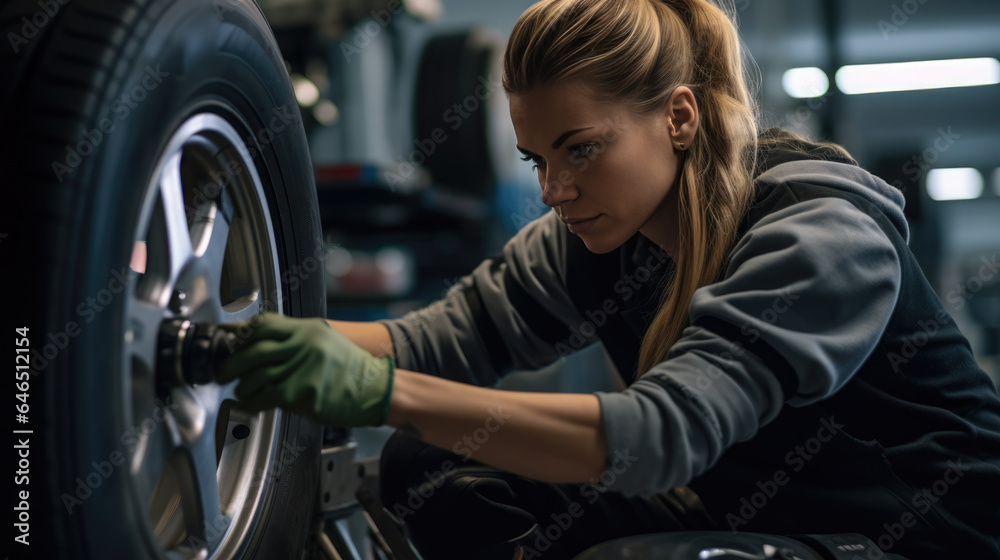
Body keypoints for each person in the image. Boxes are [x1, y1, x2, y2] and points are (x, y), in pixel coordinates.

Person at [218, 0, 1000, 558]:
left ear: (680, 118)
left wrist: (383, 393)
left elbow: (660, 436)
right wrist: (244, 343)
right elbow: (438, 342)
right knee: (431, 470)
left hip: (927, 533)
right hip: (759, 507)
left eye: (581, 149)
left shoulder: (819, 230)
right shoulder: (590, 240)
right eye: (538, 160)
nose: (555, 190)